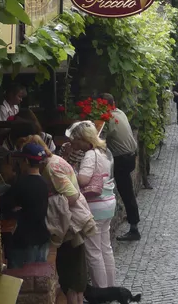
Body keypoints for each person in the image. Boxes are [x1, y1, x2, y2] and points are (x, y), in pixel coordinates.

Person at [19, 135, 90, 304]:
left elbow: (72, 196)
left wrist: (48, 200)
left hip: (71, 225)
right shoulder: (53, 160)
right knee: (74, 276)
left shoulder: (52, 168)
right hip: (71, 223)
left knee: (71, 276)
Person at [67, 121, 118, 288]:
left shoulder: (90, 155)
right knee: (105, 248)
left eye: (75, 140)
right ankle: (110, 287)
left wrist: (72, 169)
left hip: (95, 206)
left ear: (84, 139)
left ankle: (101, 291)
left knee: (94, 251)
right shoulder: (104, 151)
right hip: (108, 203)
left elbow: (83, 180)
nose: (74, 143)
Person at [2, 142, 50, 269]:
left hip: (24, 240)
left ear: (26, 161)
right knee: (39, 275)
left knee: (22, 278)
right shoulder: (44, 183)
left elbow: (3, 204)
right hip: (42, 236)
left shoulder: (21, 184)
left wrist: (14, 212)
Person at [100, 94, 141, 241]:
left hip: (122, 159)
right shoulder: (120, 112)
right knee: (126, 191)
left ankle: (134, 228)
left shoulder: (109, 118)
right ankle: (131, 220)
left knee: (126, 192)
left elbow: (100, 139)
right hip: (130, 156)